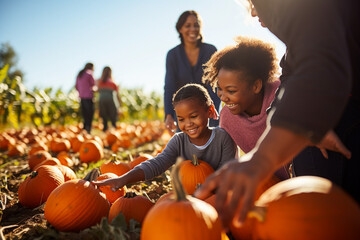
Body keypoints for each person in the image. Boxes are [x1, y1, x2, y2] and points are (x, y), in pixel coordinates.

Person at [194, 0, 359, 229]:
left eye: (254, 1)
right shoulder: (297, 44)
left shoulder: (311, 10)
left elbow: (320, 62)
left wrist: (262, 158)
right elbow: (294, 75)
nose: (252, 10)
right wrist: (312, 116)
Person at [93, 83, 237, 192]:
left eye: (193, 116)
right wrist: (123, 179)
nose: (188, 124)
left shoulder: (223, 138)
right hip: (188, 197)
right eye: (181, 119)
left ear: (210, 111)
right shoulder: (179, 141)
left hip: (217, 195)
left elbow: (226, 174)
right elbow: (156, 164)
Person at [202, 36, 289, 180]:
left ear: (256, 86)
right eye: (220, 89)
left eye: (231, 91)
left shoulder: (282, 94)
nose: (223, 97)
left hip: (306, 178)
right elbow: (228, 160)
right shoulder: (228, 118)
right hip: (266, 184)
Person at [164, 10, 221, 133]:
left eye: (196, 25)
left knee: (212, 144)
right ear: (180, 29)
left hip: (208, 109)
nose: (193, 29)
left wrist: (212, 108)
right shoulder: (172, 55)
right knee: (186, 147)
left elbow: (214, 84)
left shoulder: (210, 50)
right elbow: (169, 86)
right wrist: (168, 114)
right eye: (187, 26)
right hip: (184, 112)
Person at [97, 66, 121, 132]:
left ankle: (105, 129)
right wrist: (119, 105)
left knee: (104, 115)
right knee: (113, 115)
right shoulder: (113, 82)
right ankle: (114, 129)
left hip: (102, 100)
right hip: (111, 99)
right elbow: (117, 94)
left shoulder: (99, 81)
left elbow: (97, 90)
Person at [75, 62, 96, 133]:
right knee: (89, 113)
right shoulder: (89, 73)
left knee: (84, 114)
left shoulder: (79, 75)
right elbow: (93, 85)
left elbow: (76, 86)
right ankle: (88, 129)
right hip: (89, 97)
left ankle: (84, 129)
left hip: (82, 97)